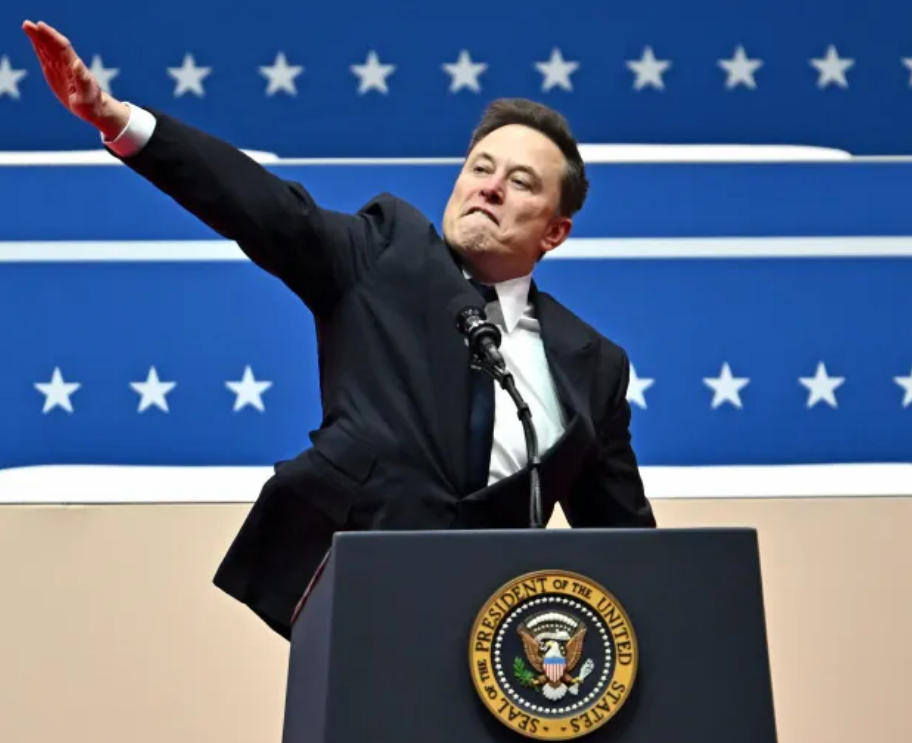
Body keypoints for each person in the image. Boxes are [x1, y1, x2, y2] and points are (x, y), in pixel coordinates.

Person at [22, 19, 656, 639]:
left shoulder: (593, 365)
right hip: (358, 606)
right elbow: (265, 207)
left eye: (519, 183)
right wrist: (115, 119)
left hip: (499, 637)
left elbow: (629, 547)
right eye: (479, 168)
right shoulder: (385, 254)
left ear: (555, 231)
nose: (489, 189)